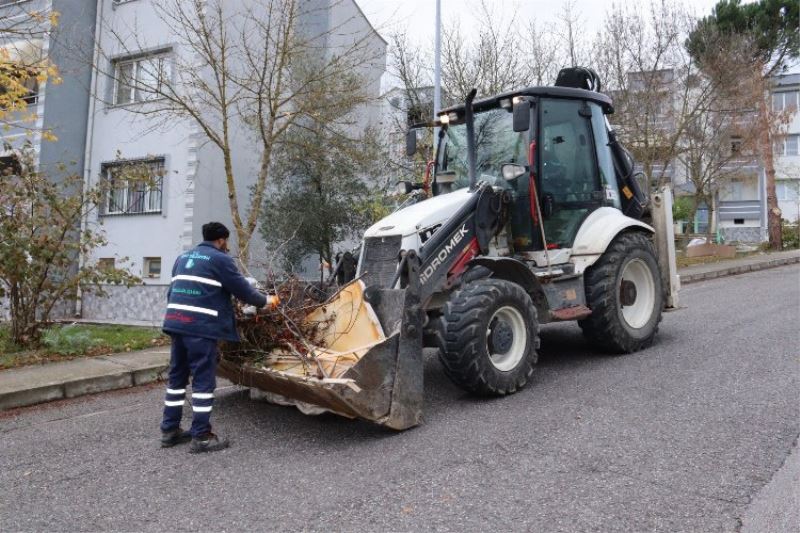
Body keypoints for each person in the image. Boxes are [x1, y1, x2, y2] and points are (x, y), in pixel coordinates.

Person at [160, 222, 267, 453]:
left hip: (176, 323)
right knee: (203, 381)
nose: (226, 246)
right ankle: (201, 436)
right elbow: (244, 291)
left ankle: (169, 431)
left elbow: (173, 291)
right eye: (226, 242)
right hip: (200, 328)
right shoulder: (220, 259)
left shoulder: (183, 257)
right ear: (222, 240)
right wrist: (265, 302)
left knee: (177, 378)